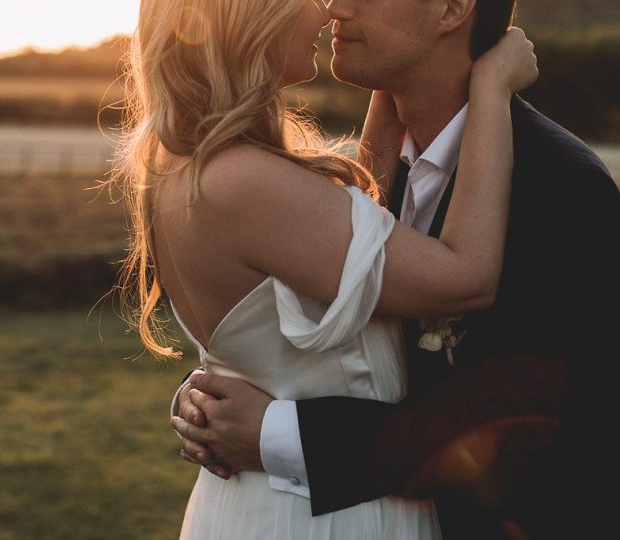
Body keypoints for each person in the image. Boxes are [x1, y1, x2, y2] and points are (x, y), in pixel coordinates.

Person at [172, 0, 620, 538]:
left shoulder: (562, 185)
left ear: (452, 9)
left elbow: (532, 427)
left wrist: (274, 433)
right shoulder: (357, 183)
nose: (336, 5)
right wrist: (233, 380)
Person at [113, 0, 539, 537]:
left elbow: (358, 229)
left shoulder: (189, 166)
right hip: (323, 513)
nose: (328, 11)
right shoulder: (248, 183)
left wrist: (391, 81)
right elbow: (466, 277)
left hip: (261, 501)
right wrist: (492, 91)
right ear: (254, 18)